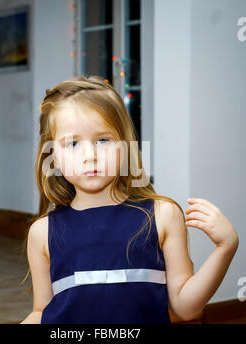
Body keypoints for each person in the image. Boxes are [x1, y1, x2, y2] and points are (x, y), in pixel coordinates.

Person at [21, 75, 239, 324]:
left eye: (103, 140)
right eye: (72, 143)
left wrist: (225, 248)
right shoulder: (42, 232)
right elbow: (42, 311)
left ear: (125, 146)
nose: (90, 156)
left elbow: (186, 308)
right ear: (54, 157)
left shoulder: (162, 216)